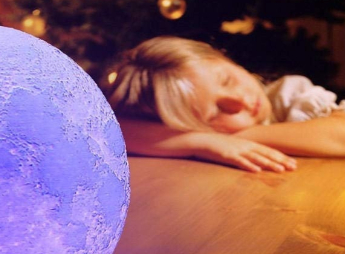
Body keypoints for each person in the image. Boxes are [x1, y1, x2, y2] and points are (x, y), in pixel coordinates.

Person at [104, 36, 345, 173]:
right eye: (216, 112)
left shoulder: (287, 94)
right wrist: (199, 142)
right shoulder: (199, 139)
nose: (240, 101)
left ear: (223, 58)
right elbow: (108, 132)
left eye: (227, 80)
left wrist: (225, 138)